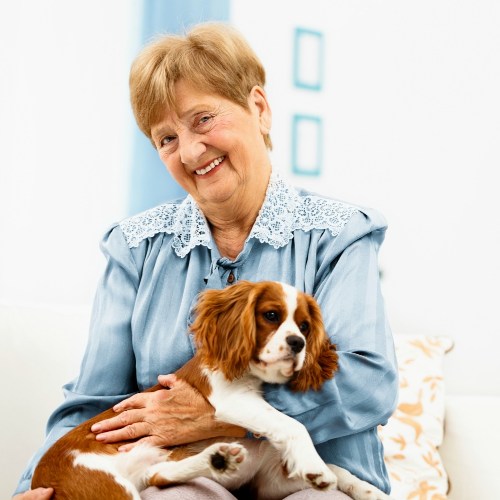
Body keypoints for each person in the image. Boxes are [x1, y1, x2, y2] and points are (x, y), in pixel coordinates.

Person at [14, 22, 398, 500]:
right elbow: (91, 404)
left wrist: (223, 415)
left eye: (202, 119)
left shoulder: (338, 235)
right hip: (184, 477)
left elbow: (370, 382)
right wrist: (35, 487)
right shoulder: (135, 247)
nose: (191, 151)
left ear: (258, 108)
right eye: (166, 139)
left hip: (312, 477)